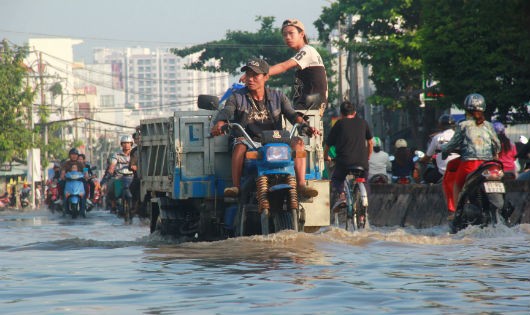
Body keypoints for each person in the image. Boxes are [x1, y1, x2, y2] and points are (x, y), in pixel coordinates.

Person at [211, 58, 319, 198]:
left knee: (299, 143)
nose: (250, 79)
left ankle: (301, 185)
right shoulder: (236, 97)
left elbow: (292, 115)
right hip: (250, 141)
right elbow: (227, 111)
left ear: (266, 77)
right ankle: (236, 187)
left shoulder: (278, 96)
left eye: (255, 75)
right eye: (248, 75)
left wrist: (305, 125)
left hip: (276, 140)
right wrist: (220, 123)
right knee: (239, 145)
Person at [241, 19, 328, 111]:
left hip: (311, 105)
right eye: (285, 35)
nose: (287, 37)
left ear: (301, 34)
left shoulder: (307, 51)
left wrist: (253, 73)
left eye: (291, 33)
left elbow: (283, 66)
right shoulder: (304, 54)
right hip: (308, 104)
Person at [441, 93, 500, 220]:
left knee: (457, 184)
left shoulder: (463, 125)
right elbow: (497, 144)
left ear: (466, 109)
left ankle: (457, 213)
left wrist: (444, 151)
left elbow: (453, 144)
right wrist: (495, 155)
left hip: (469, 164)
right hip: (489, 164)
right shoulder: (489, 125)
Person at [324, 100, 373, 210]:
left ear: (341, 114)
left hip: (344, 162)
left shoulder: (339, 124)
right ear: (354, 112)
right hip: (362, 162)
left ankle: (342, 196)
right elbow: (370, 143)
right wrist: (368, 157)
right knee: (364, 180)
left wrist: (326, 156)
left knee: (337, 178)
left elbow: (327, 145)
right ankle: (363, 212)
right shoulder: (363, 123)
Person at [421, 114, 460, 185]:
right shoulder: (459, 136)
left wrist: (421, 161)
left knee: (426, 177)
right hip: (458, 171)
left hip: (442, 172)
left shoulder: (437, 137)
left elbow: (428, 156)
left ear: (440, 125)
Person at [101, 135, 134, 212]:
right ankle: (113, 204)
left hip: (132, 177)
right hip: (119, 177)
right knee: (110, 186)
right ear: (121, 144)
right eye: (124, 143)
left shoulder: (134, 153)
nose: (126, 145)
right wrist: (109, 173)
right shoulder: (116, 155)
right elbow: (112, 166)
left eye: (128, 143)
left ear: (131, 144)